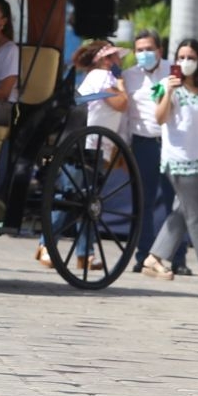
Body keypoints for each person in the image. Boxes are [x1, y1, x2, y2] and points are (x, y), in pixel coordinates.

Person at [140, 39, 198, 285]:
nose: (185, 62)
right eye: (181, 57)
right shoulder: (167, 86)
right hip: (178, 159)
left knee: (183, 211)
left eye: (190, 57)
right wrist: (168, 91)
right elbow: (160, 119)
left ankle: (154, 258)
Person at [38, 39, 128, 269]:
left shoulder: (98, 77)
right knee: (69, 195)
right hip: (85, 146)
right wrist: (119, 79)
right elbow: (122, 102)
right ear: (106, 60)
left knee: (88, 201)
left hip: (94, 146)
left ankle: (85, 254)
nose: (120, 61)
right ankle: (46, 245)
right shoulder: (102, 76)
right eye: (115, 57)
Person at [122, 29, 178, 273]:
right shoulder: (128, 75)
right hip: (142, 143)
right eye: (140, 50)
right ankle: (143, 255)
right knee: (142, 202)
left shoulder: (174, 71)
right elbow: (124, 114)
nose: (144, 54)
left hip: (171, 142)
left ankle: (177, 258)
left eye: (149, 49)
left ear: (160, 51)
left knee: (174, 201)